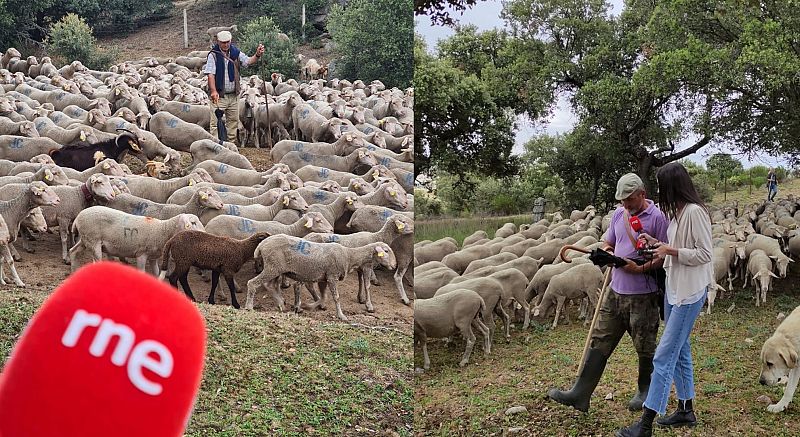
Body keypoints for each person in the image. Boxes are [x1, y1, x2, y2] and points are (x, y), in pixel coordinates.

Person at [547, 173, 669, 413]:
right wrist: (606, 252)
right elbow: (609, 242)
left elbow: (663, 256)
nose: (626, 204)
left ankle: (645, 391)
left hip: (643, 294)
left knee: (644, 344)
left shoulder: (657, 218)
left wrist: (639, 267)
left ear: (642, 194)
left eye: (630, 200)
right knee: (601, 338)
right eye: (622, 200)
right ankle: (580, 393)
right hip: (615, 290)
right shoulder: (619, 215)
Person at [615, 162, 713, 437]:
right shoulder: (678, 214)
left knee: (663, 355)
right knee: (680, 351)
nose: (659, 191)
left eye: (661, 186)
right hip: (674, 289)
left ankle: (645, 424)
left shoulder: (695, 213)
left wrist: (671, 249)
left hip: (688, 293)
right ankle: (686, 409)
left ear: (673, 185)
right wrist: (656, 244)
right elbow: (674, 250)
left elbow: (705, 254)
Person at [202, 30, 264, 144]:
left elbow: (248, 61)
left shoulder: (236, 53)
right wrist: (213, 91)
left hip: (234, 95)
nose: (225, 45)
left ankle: (230, 145)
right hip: (219, 96)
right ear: (218, 42)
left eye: (227, 42)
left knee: (233, 122)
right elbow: (210, 74)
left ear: (230, 41)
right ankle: (215, 146)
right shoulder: (213, 55)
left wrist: (257, 55)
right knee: (215, 122)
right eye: (223, 42)